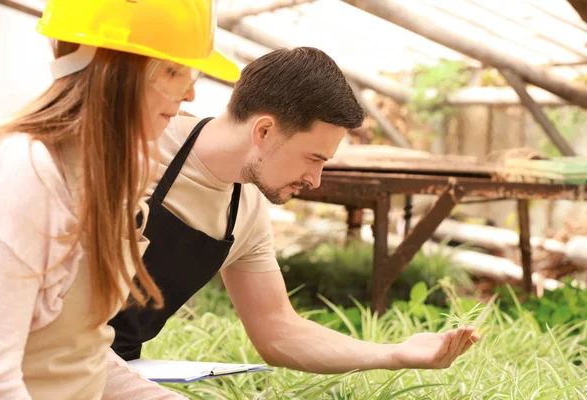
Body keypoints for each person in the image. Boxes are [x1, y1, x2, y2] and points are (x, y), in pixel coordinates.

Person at [108, 47, 480, 389]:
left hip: (117, 377)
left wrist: (394, 354)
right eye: (313, 158)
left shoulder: (248, 212)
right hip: (59, 365)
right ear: (264, 131)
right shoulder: (132, 147)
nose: (315, 180)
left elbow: (278, 331)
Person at [0, 0, 239, 399]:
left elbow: (79, 351)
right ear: (118, 70)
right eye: (176, 71)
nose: (190, 93)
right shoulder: (30, 172)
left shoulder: (108, 171)